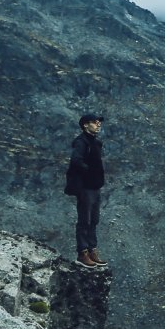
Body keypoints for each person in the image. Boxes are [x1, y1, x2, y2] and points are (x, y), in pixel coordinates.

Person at [67, 112, 108, 267]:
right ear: (85, 125)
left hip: (95, 187)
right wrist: (89, 172)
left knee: (94, 220)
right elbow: (76, 160)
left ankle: (92, 250)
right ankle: (82, 253)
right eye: (94, 122)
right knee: (85, 220)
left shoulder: (95, 143)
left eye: (99, 122)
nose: (98, 124)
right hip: (85, 187)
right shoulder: (81, 142)